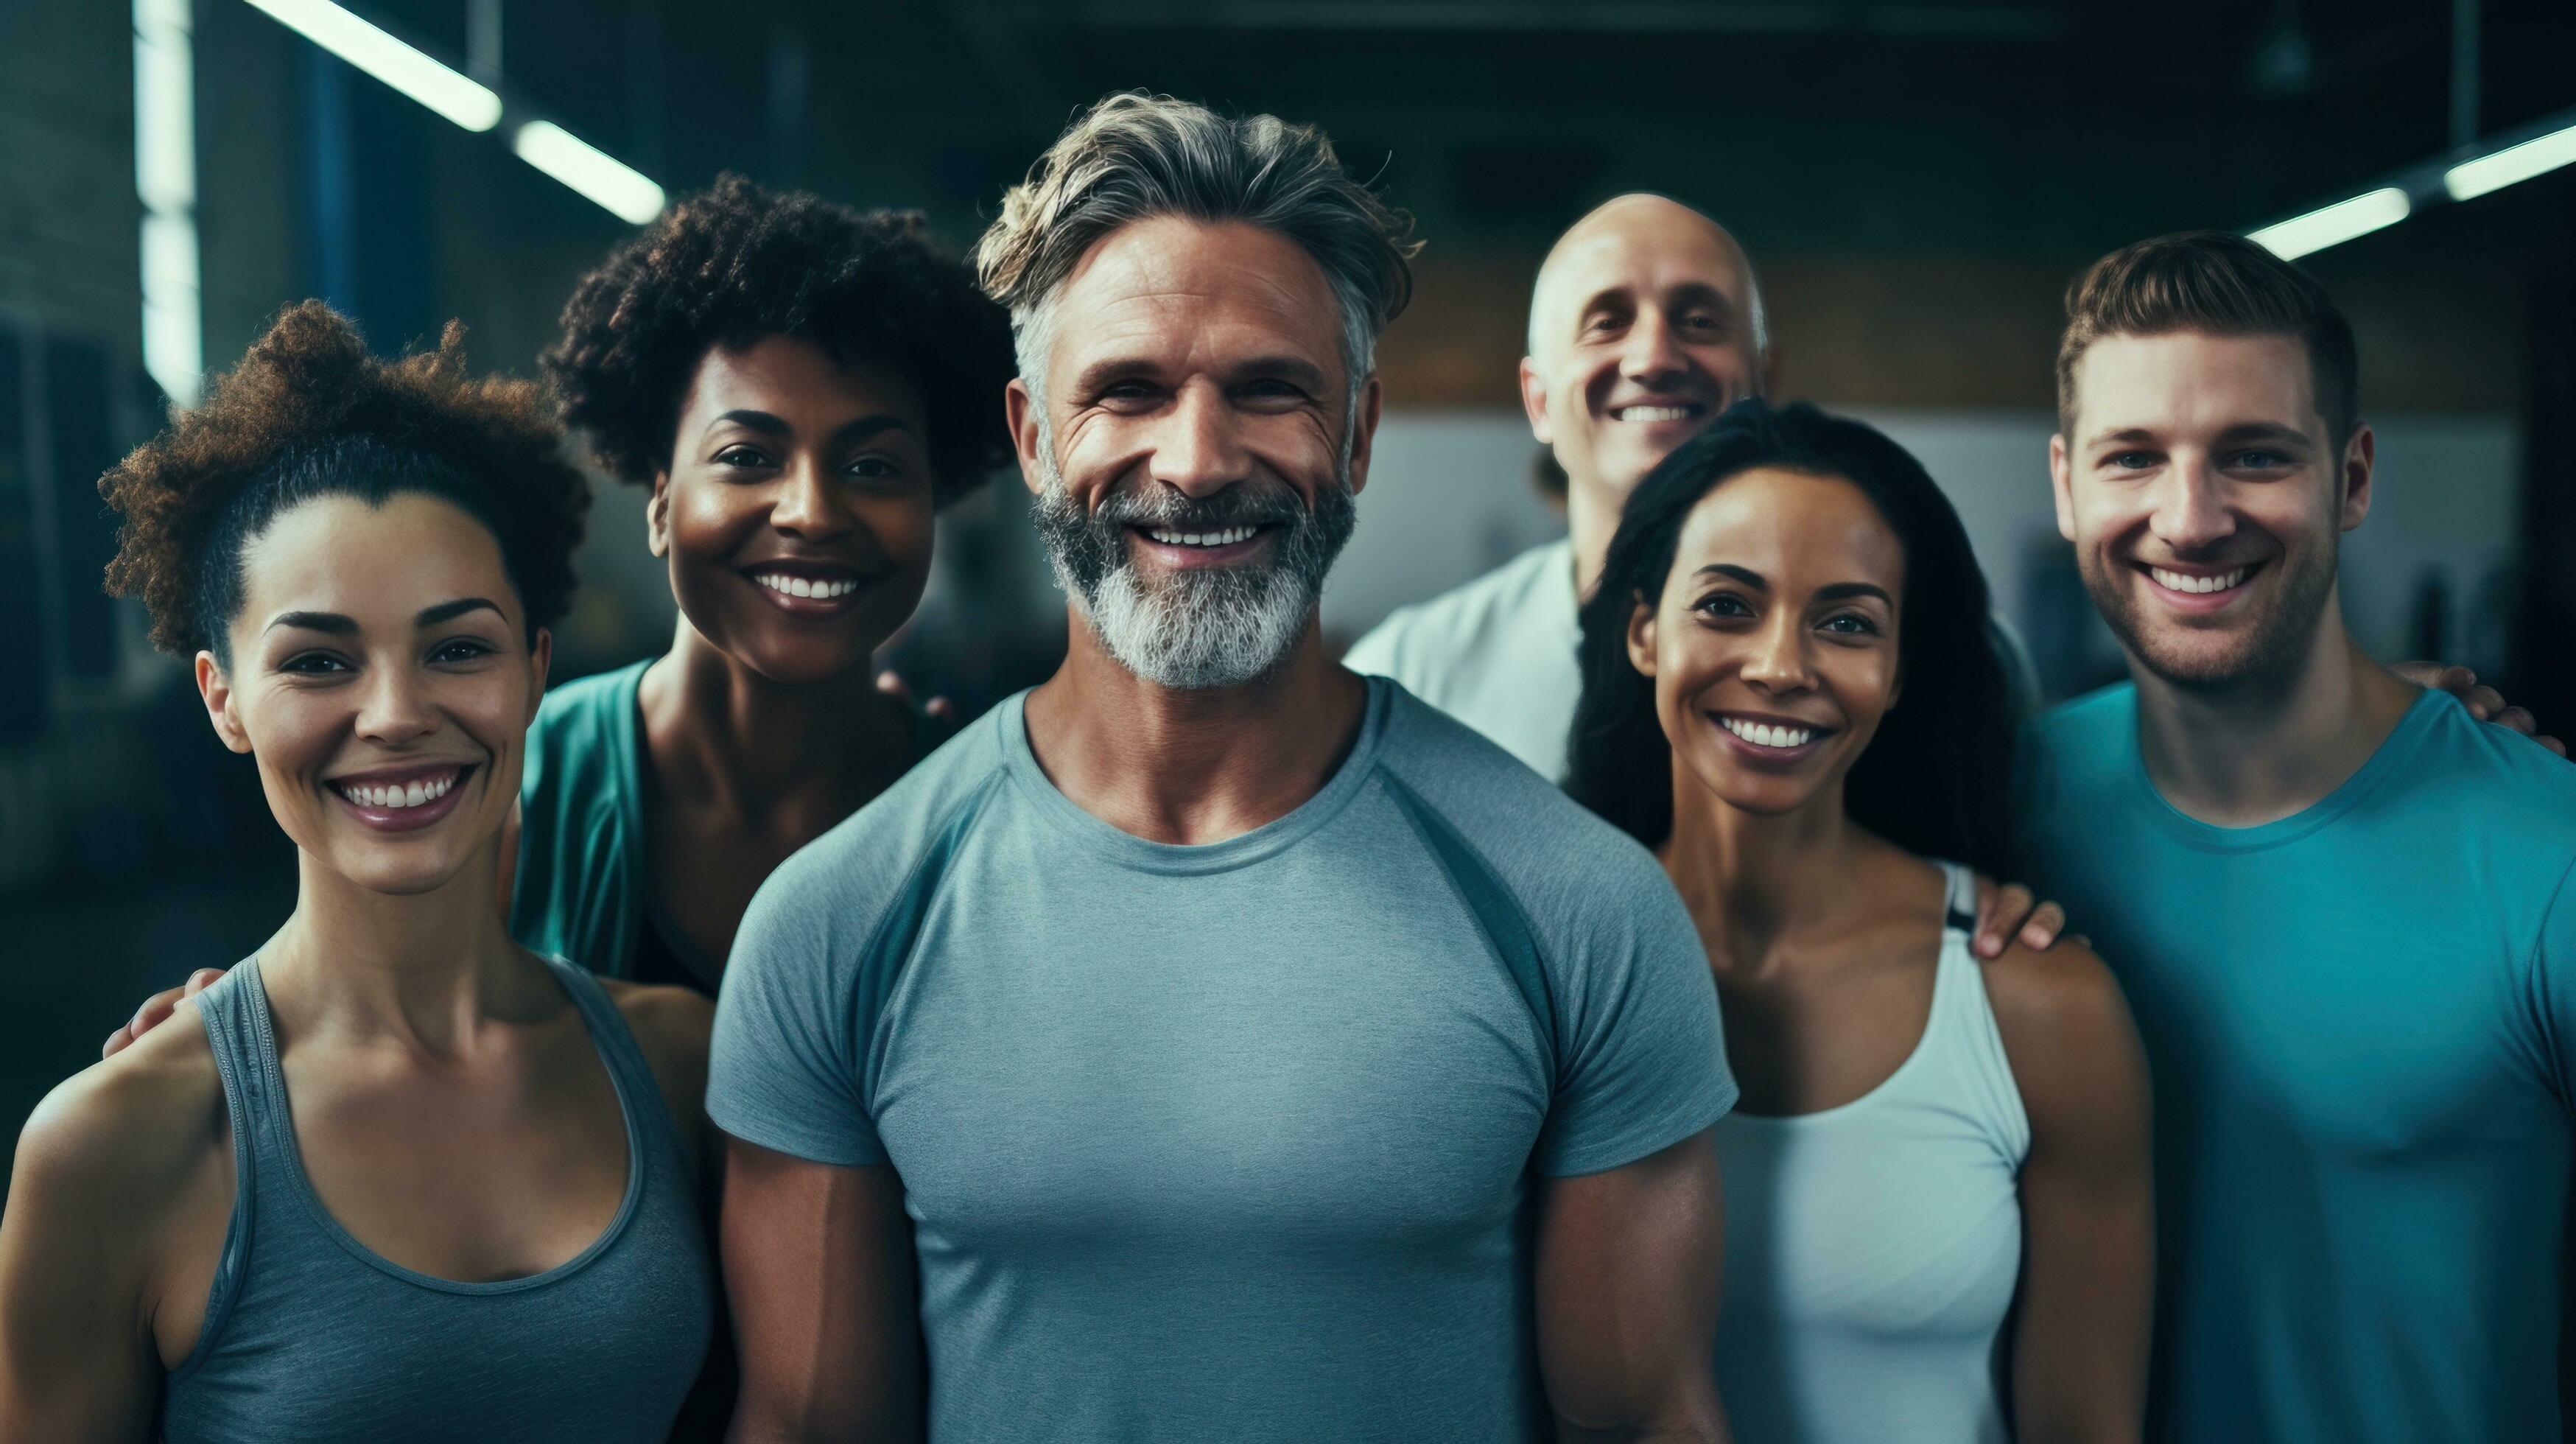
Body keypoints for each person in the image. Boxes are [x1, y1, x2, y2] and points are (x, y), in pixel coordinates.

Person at [711, 93, 1738, 1442]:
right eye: (1128, 390)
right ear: (1030, 438)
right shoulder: (837, 923)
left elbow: (1651, 1424)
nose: (1194, 462)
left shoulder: (1579, 914)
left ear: (1357, 435)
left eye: (1267, 389)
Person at [0, 303, 717, 1439]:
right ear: (221, 696)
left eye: (458, 648)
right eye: (320, 661)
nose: (394, 715)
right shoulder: (113, 1147)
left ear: (533, 672)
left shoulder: (683, 1068)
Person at [100, 176, 1018, 1048]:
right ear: (660, 501)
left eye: (874, 467)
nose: (812, 510)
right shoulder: (494, 783)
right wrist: (242, 1025)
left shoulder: (990, 816)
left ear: (932, 502)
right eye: (746, 456)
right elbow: (356, 1017)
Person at [2021, 231, 2576, 1442]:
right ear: (2066, 486)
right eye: (2133, 458)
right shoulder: (1997, 813)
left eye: (2254, 456)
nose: (2191, 517)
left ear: (2353, 476)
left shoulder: (2546, 857)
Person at [1570, 399, 2152, 1443]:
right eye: (1727, 605)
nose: (1782, 665)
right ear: (1643, 630)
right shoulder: (1543, 977)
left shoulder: (2038, 1003)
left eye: (1846, 622)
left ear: (1897, 670)